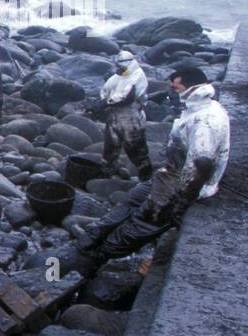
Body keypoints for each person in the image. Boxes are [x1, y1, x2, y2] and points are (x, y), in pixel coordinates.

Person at [77, 67, 229, 271]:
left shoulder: (204, 120)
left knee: (142, 224)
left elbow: (202, 163)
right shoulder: (198, 108)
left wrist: (183, 200)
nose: (172, 92)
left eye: (176, 87)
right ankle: (93, 236)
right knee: (133, 199)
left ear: (193, 88)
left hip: (186, 182)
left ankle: (97, 257)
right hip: (172, 172)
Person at [99, 49, 152, 180]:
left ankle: (146, 178)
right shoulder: (118, 75)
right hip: (114, 115)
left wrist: (106, 102)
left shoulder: (137, 75)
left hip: (131, 116)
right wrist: (103, 99)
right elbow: (106, 89)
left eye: (121, 63)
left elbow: (127, 96)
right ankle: (108, 172)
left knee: (136, 149)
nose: (119, 65)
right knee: (110, 146)